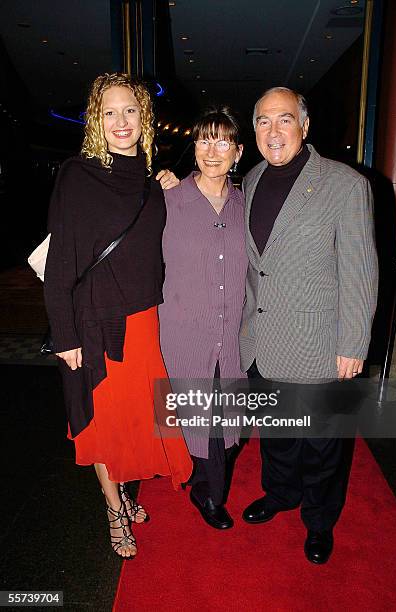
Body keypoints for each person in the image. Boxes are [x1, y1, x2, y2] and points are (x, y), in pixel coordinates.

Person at [44, 72, 192, 559]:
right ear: (95, 120)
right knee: (105, 425)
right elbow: (61, 261)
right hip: (94, 323)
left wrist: (170, 185)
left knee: (140, 419)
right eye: (109, 112)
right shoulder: (76, 174)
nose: (120, 121)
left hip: (144, 322)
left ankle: (125, 493)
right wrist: (64, 334)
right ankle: (114, 507)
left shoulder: (153, 182)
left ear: (144, 117)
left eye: (130, 109)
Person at [239, 87, 378, 563]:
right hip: (262, 342)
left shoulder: (345, 184)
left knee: (322, 447)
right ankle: (280, 494)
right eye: (262, 121)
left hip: (320, 345)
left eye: (283, 120)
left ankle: (319, 521)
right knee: (276, 434)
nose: (273, 131)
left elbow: (360, 272)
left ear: (304, 124)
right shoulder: (252, 179)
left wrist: (353, 343)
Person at [158, 107, 248, 529]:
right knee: (197, 421)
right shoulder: (167, 200)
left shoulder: (246, 207)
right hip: (182, 332)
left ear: (238, 151)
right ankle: (209, 494)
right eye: (204, 139)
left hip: (230, 335)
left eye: (223, 140)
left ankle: (203, 481)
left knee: (229, 429)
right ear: (193, 147)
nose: (212, 150)